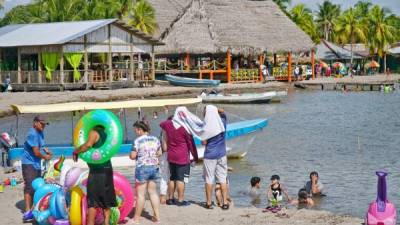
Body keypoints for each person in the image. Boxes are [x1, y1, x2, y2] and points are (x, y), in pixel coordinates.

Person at [73, 126, 117, 225]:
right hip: (107, 169)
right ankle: (106, 223)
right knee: (106, 199)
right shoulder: (105, 135)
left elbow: (88, 145)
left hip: (97, 171)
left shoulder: (94, 132)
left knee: (93, 200)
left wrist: (76, 151)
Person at [159, 107, 199, 206]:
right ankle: (180, 200)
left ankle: (170, 199)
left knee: (172, 178)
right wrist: (195, 157)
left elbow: (161, 124)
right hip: (182, 157)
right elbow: (191, 145)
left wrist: (171, 122)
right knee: (181, 179)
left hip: (171, 156)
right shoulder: (186, 128)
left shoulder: (168, 125)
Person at [21, 116, 52, 222]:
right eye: (41, 123)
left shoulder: (40, 132)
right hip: (29, 163)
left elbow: (42, 146)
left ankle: (35, 208)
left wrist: (48, 151)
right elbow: (36, 152)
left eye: (44, 124)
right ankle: (27, 211)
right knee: (29, 186)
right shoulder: (33, 134)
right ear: (35, 123)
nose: (43, 126)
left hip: (36, 164)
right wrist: (45, 157)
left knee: (37, 186)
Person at [130, 121, 161, 223]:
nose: (136, 132)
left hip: (142, 168)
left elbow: (133, 156)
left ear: (140, 129)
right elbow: (159, 153)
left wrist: (131, 155)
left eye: (136, 130)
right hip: (154, 167)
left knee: (140, 195)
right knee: (153, 192)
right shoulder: (156, 139)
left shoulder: (137, 141)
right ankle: (156, 216)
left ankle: (136, 219)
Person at [201, 105, 229, 210]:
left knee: (209, 179)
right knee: (222, 179)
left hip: (210, 155)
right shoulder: (222, 121)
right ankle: (225, 202)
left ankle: (208, 202)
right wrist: (214, 109)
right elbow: (223, 111)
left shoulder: (206, 126)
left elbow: (203, 142)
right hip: (222, 154)